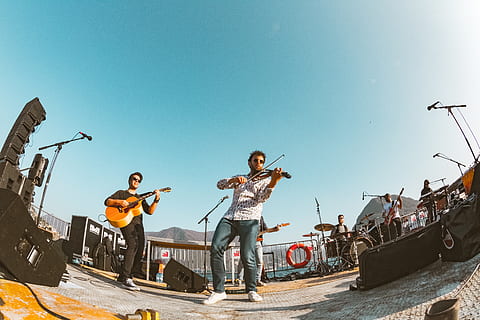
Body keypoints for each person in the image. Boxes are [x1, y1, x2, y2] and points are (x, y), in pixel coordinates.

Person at [203, 150, 284, 305]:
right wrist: (233, 180)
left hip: (250, 219)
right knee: (216, 247)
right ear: (249, 162)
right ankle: (219, 291)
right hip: (230, 217)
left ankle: (252, 290)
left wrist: (274, 182)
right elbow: (219, 185)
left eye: (261, 162)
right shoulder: (241, 178)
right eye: (255, 161)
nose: (258, 164)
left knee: (247, 255)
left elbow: (262, 198)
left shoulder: (266, 180)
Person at [104, 172, 161, 291]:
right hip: (126, 222)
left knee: (140, 249)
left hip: (138, 225)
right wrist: (120, 202)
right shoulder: (121, 193)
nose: (136, 181)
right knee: (133, 244)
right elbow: (107, 201)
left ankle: (125, 276)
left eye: (139, 180)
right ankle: (126, 278)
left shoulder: (140, 198)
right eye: (134, 179)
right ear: (130, 180)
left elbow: (150, 211)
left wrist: (156, 200)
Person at [236, 217, 280, 287]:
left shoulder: (261, 218)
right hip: (246, 241)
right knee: (243, 260)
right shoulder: (246, 216)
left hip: (257, 242)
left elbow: (266, 229)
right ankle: (239, 279)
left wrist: (275, 229)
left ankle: (257, 280)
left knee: (259, 261)